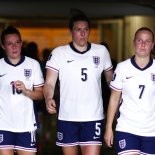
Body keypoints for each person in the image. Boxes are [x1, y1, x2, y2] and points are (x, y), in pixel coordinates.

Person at [43, 12, 113, 155]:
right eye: (78, 29)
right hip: (67, 117)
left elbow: (110, 79)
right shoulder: (59, 53)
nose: (83, 33)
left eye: (86, 29)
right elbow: (49, 83)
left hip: (93, 116)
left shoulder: (101, 51)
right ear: (71, 31)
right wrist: (48, 98)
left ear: (89, 31)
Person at [104, 27, 155, 155]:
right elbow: (114, 99)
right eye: (139, 40)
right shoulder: (122, 68)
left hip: (151, 131)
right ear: (134, 43)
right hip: (127, 128)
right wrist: (109, 127)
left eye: (147, 41)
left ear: (152, 45)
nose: (143, 44)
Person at [0, 26, 44, 155]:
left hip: (26, 126)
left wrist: (26, 91)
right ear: (3, 46)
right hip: (3, 126)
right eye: (10, 44)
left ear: (21, 43)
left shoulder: (33, 64)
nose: (14, 47)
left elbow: (40, 94)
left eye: (17, 43)